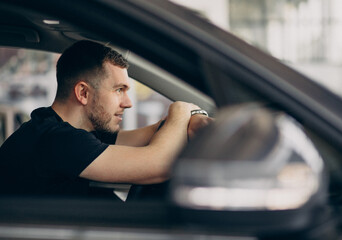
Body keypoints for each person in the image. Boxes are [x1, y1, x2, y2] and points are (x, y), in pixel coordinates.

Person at [0, 40, 211, 199]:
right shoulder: (55, 140)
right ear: (83, 93)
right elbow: (160, 164)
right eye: (119, 90)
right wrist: (182, 108)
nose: (128, 103)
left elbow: (159, 132)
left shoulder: (72, 129)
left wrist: (193, 119)